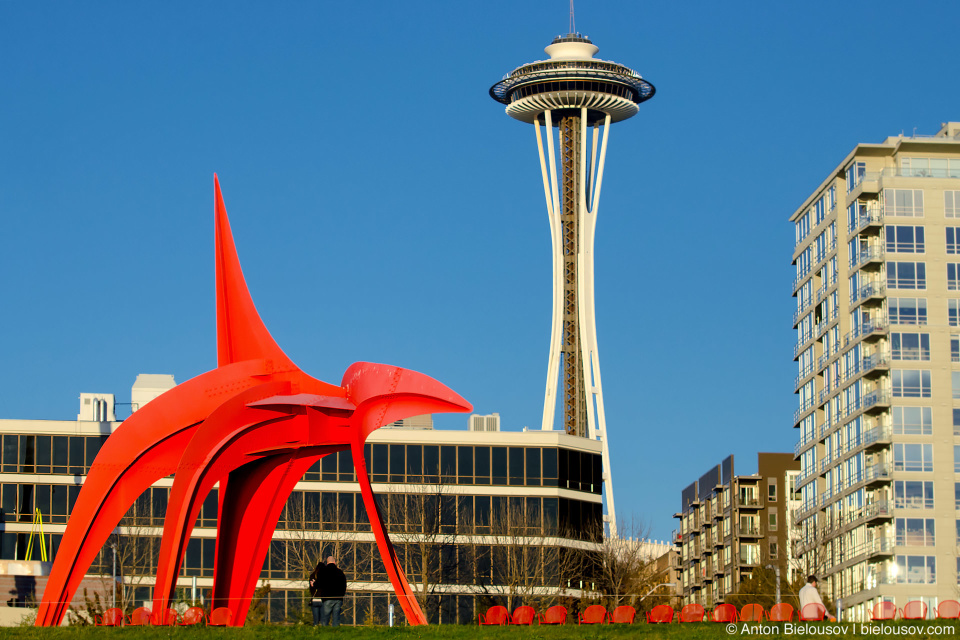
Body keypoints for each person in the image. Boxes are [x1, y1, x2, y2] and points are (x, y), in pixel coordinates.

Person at [318, 555, 347, 627]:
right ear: (334, 562)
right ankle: (335, 632)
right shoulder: (340, 572)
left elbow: (320, 584)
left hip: (327, 597)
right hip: (338, 598)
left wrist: (322, 595)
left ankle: (324, 633)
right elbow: (344, 585)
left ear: (327, 563)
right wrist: (342, 595)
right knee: (336, 617)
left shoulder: (323, 572)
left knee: (325, 618)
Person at [308, 558, 327, 626]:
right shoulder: (325, 576)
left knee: (315, 620)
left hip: (314, 599)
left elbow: (311, 588)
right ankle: (322, 632)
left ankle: (315, 630)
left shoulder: (312, 575)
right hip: (323, 599)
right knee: (323, 620)